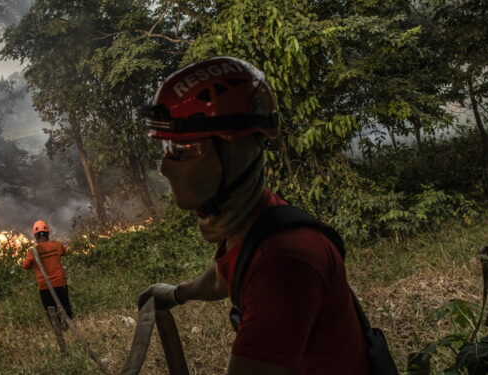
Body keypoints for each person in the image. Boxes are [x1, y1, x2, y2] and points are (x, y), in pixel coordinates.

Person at [137, 56, 371, 374]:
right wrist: (177, 293)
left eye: (185, 150)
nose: (165, 168)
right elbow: (226, 276)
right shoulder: (257, 221)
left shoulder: (283, 263)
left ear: (234, 152)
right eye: (167, 150)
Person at [22, 220, 73, 320]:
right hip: (60, 283)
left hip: (45, 286)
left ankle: (58, 330)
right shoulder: (57, 245)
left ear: (36, 236)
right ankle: (68, 325)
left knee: (51, 311)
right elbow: (63, 252)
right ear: (47, 234)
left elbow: (25, 266)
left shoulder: (33, 251)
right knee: (65, 306)